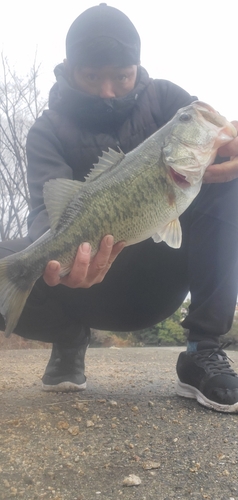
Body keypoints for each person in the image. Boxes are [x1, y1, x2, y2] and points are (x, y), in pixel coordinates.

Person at [1, 3, 238, 412]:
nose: (108, 90)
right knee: (20, 258)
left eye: (122, 76)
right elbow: (45, 216)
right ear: (69, 68)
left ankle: (203, 347)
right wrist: (63, 266)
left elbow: (220, 141)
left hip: (159, 282)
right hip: (80, 291)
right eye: (92, 76)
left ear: (138, 68)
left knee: (228, 182)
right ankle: (69, 337)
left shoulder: (168, 100)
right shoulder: (46, 131)